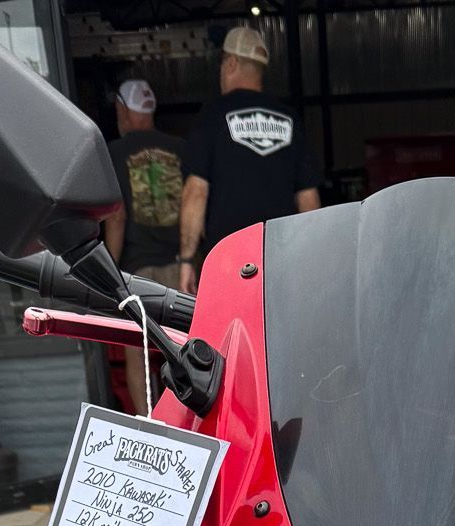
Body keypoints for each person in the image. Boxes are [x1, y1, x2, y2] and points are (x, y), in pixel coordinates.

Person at [178, 26, 319, 294]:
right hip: (282, 257)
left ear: (230, 63)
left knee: (233, 333)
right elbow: (308, 199)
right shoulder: (289, 118)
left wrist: (186, 259)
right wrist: (310, 259)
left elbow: (196, 191)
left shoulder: (213, 114)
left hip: (229, 259)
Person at [102, 78, 185, 411]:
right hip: (180, 268)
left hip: (137, 270)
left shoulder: (115, 152)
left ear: (123, 110)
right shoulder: (181, 148)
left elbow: (117, 217)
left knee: (136, 354)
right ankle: (192, 417)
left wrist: (109, 269)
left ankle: (146, 422)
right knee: (185, 347)